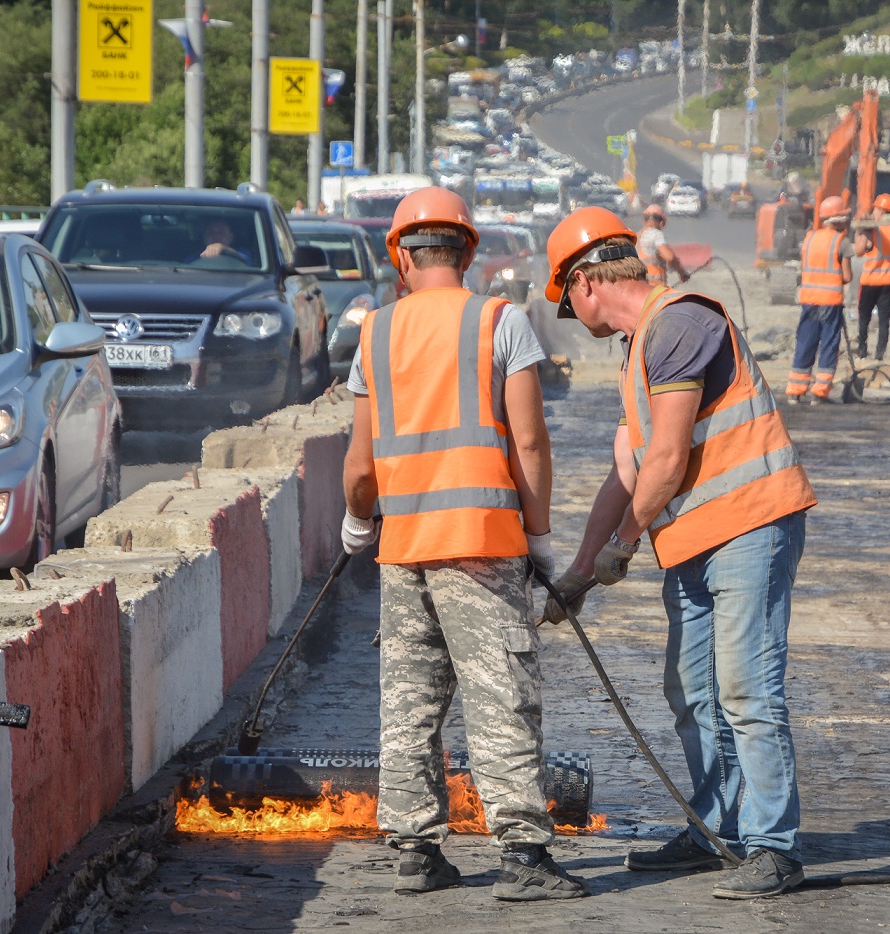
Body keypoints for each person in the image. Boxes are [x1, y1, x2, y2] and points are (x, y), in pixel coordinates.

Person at [541, 206, 818, 900]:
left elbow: (664, 460)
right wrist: (579, 572)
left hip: (750, 528)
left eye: (572, 307)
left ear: (585, 283)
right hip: (694, 543)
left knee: (747, 690)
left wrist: (622, 547)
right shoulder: (643, 347)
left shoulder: (681, 321)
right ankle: (715, 830)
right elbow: (627, 472)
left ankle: (773, 846)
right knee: (691, 690)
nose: (581, 323)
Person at [340, 187, 588, 902]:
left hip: (403, 547)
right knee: (500, 695)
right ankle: (522, 860)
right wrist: (538, 538)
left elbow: (360, 467)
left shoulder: (375, 333)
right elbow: (531, 442)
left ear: (402, 254)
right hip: (481, 543)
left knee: (410, 701)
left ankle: (415, 852)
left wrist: (359, 523)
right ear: (467, 250)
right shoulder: (497, 321)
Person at [786, 196, 853, 402]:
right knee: (829, 345)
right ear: (839, 219)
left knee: (805, 343)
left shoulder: (809, 239)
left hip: (809, 300)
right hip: (830, 302)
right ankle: (820, 393)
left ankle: (796, 391)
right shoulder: (841, 242)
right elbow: (847, 276)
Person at [853, 193, 890, 361]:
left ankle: (862, 350)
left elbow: (860, 250)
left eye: (876, 208)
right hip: (889, 281)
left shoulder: (872, 229)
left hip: (870, 280)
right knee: (884, 320)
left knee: (864, 317)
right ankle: (880, 353)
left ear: (881, 210)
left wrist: (859, 232)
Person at [637, 204, 693, 287]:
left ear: (644, 221)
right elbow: (670, 257)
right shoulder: (656, 234)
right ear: (662, 222)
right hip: (654, 287)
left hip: (639, 287)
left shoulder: (636, 236)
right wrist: (682, 272)